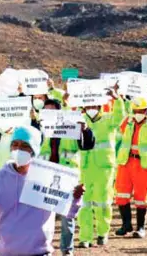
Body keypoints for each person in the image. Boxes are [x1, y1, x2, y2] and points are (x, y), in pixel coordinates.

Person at [0, 126, 85, 256]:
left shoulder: (48, 176)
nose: (18, 149)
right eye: (15, 144)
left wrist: (75, 197)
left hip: (39, 253)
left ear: (34, 150)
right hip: (5, 252)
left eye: (25, 146)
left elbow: (69, 211)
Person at [38, 98, 95, 255]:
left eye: (52, 110)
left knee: (66, 217)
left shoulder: (71, 127)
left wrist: (85, 130)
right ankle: (42, 249)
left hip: (67, 177)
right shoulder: (42, 128)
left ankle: (67, 250)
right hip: (46, 174)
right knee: (42, 217)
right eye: (46, 110)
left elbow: (88, 145)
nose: (48, 113)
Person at [77, 86, 125, 248]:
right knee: (84, 204)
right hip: (84, 167)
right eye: (88, 106)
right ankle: (85, 237)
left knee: (102, 202)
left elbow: (120, 116)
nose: (91, 109)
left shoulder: (108, 119)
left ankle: (102, 233)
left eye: (94, 106)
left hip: (104, 167)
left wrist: (117, 99)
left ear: (99, 106)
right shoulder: (80, 119)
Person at [115, 86, 147, 239]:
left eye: (141, 111)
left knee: (142, 199)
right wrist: (119, 98)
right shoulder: (128, 122)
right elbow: (120, 120)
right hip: (126, 163)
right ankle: (126, 224)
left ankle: (140, 227)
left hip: (144, 165)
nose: (138, 114)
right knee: (121, 195)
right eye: (135, 111)